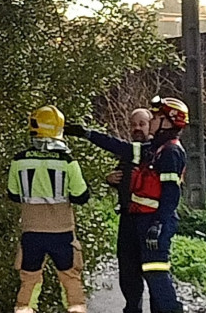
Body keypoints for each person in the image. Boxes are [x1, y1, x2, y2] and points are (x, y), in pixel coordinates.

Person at [65, 96, 188, 313]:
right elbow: (119, 147)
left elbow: (171, 194)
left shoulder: (170, 152)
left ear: (168, 122)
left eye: (156, 117)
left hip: (153, 222)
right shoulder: (155, 148)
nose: (151, 121)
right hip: (136, 219)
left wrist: (158, 224)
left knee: (156, 275)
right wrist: (87, 134)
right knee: (131, 271)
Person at [8, 105, 90, 313]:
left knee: (29, 281)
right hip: (62, 233)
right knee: (70, 280)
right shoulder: (68, 162)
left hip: (31, 232)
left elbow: (13, 194)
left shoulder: (19, 161)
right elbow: (82, 196)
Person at [101, 108, 153, 313]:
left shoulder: (157, 152)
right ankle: (132, 308)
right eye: (133, 124)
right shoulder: (128, 153)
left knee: (152, 270)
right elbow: (124, 178)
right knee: (128, 270)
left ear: (151, 125)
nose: (137, 128)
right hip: (127, 218)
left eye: (141, 124)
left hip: (149, 220)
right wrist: (111, 179)